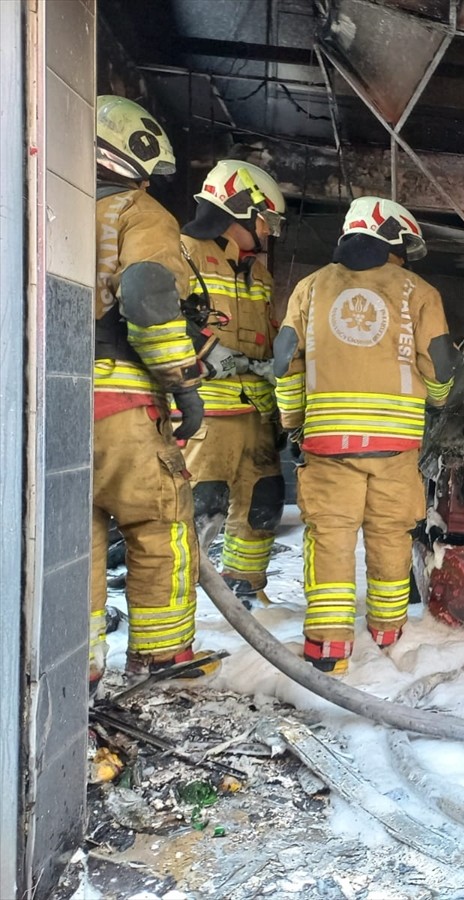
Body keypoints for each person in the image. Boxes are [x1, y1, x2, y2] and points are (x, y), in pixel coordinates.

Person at [273, 197, 458, 675]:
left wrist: (294, 420)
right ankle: (387, 633)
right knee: (391, 535)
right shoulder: (419, 291)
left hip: (327, 443)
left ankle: (328, 651)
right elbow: (439, 362)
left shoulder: (309, 289)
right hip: (395, 446)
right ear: (394, 238)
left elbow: (285, 360)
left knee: (331, 538)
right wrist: (435, 400)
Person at [91, 96, 216, 683]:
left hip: (39, 403)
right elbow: (144, 294)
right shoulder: (139, 213)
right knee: (160, 523)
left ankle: (79, 668)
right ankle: (162, 655)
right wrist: (183, 386)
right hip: (120, 403)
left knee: (73, 538)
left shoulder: (40, 203)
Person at [178, 160, 287, 607]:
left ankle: (244, 587)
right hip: (207, 414)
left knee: (264, 503)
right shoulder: (182, 252)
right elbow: (158, 316)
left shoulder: (259, 275)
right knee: (199, 507)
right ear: (239, 208)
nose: (269, 232)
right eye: (266, 220)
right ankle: (178, 598)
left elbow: (271, 336)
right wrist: (207, 353)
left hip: (256, 414)